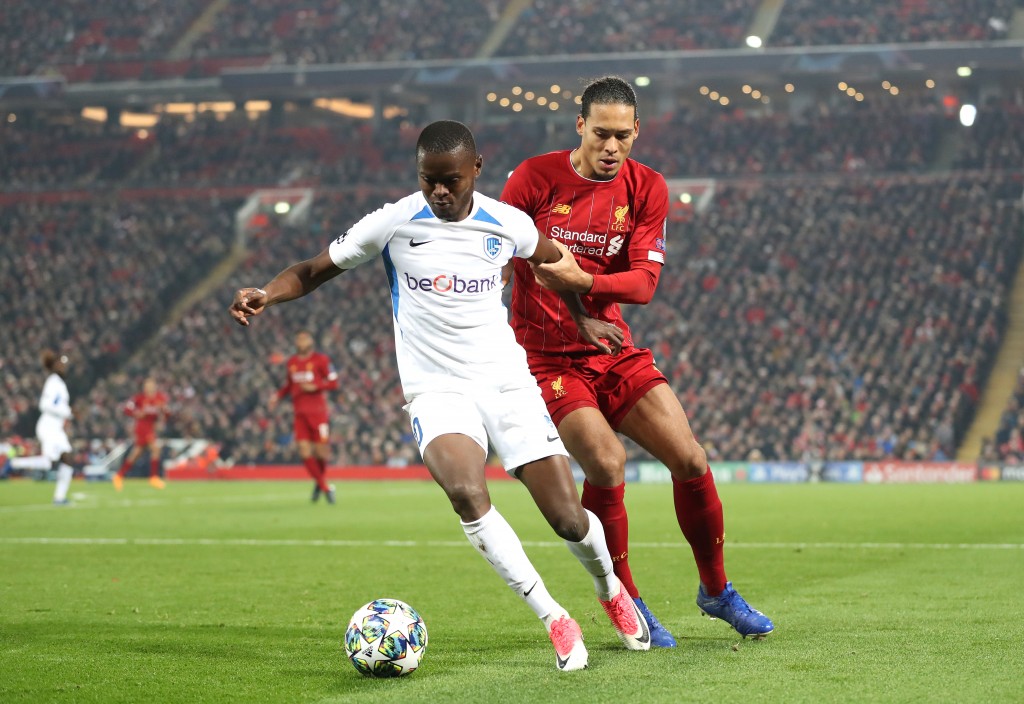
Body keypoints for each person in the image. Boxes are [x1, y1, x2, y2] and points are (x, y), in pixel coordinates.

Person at [229, 120, 649, 671]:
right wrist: (268, 293)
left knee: (569, 519)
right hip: (435, 389)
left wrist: (584, 320)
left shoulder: (508, 224)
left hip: (506, 382)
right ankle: (555, 618)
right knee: (466, 492)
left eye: (450, 180)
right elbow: (312, 270)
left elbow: (551, 263)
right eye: (429, 180)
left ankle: (609, 589)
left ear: (476, 169)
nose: (439, 192)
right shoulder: (394, 222)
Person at [500, 76, 774, 643]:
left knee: (691, 459)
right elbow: (510, 258)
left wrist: (586, 281)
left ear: (636, 132)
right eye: (600, 133)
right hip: (548, 359)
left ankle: (716, 590)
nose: (610, 147)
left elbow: (644, 284)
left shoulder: (647, 187)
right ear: (579, 126)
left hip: (612, 345)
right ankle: (626, 600)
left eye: (622, 136)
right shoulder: (533, 178)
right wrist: (572, 309)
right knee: (606, 465)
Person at [269, 330, 339, 503]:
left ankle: (319, 483)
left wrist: (315, 386)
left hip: (319, 414)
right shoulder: (292, 363)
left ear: (310, 342)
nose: (300, 341)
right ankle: (325, 488)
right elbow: (289, 385)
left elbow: (333, 382)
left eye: (304, 339)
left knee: (322, 454)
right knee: (304, 451)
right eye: (298, 339)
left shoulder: (321, 360)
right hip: (300, 414)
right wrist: (277, 396)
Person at [7, 351, 79, 505]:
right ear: (54, 365)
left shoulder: (59, 383)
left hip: (56, 427)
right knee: (49, 463)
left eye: (66, 363)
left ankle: (59, 498)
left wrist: (69, 413)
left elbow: (59, 405)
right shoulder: (53, 382)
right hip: (48, 426)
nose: (65, 366)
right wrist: (67, 411)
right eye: (62, 363)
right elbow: (45, 405)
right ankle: (13, 463)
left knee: (67, 459)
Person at [112, 378, 169, 491]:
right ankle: (153, 477)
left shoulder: (160, 398)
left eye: (151, 385)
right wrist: (135, 413)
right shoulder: (139, 398)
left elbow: (165, 413)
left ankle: (119, 476)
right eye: (147, 385)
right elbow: (126, 408)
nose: (149, 387)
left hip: (151, 427)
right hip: (142, 427)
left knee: (136, 454)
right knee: (155, 449)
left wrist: (163, 419)